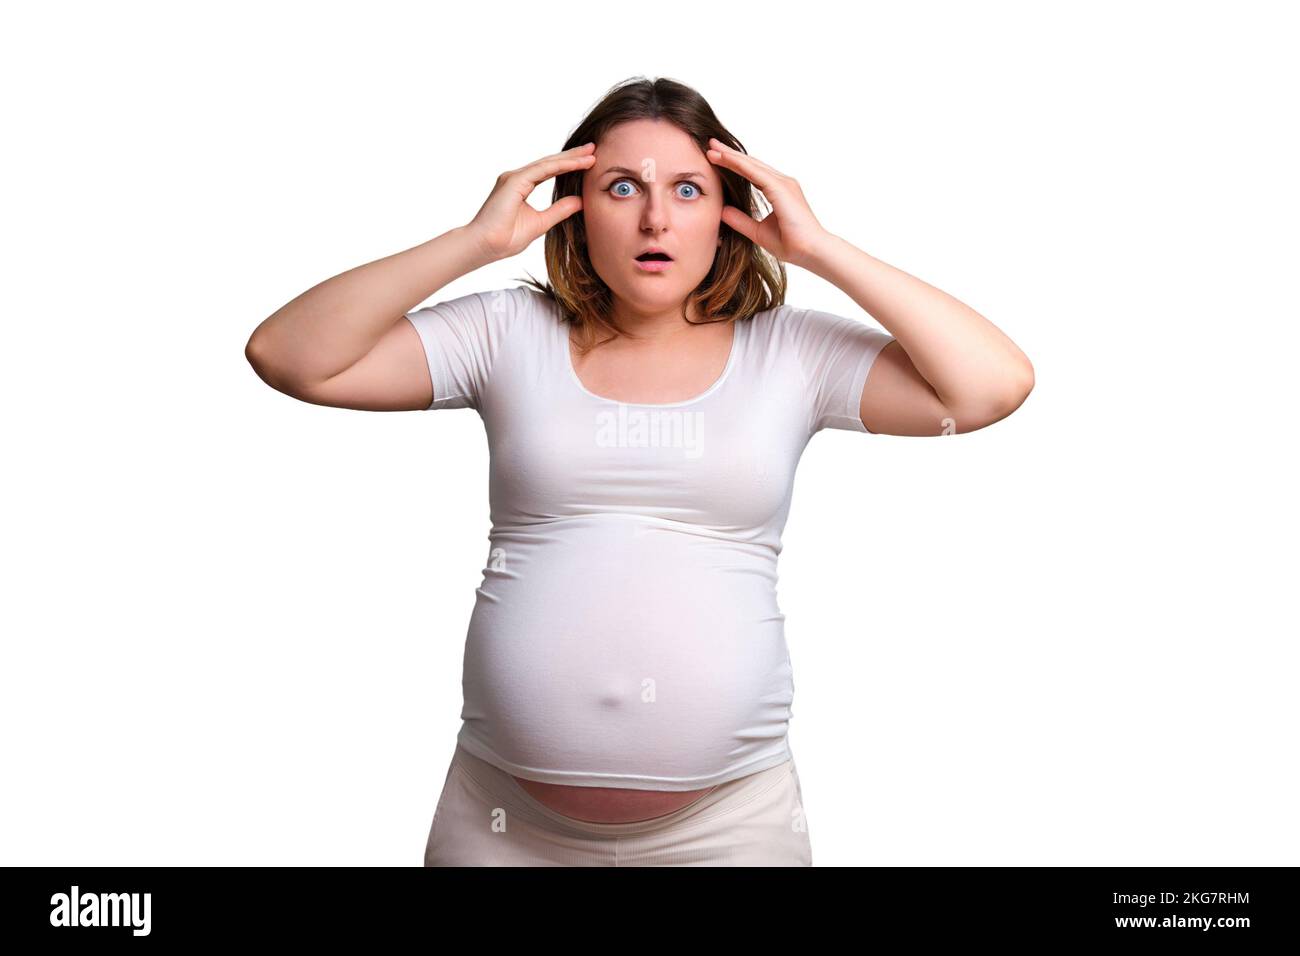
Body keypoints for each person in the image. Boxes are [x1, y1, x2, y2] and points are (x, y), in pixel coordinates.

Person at [244, 76, 1035, 866]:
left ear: (731, 211)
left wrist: (822, 249)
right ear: (573, 205)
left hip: (732, 828)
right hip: (503, 824)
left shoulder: (793, 352)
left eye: (688, 190)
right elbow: (291, 359)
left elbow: (991, 387)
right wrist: (476, 242)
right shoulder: (505, 332)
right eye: (621, 187)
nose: (654, 218)